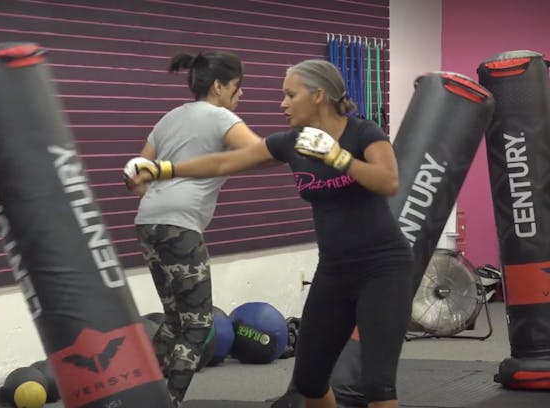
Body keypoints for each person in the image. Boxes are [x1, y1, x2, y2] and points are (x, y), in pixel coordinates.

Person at [128, 59, 414, 408]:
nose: (282, 103)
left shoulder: (363, 132)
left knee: (377, 385)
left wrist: (339, 159)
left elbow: (388, 181)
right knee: (309, 381)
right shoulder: (292, 143)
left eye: (291, 95)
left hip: (383, 269)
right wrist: (163, 169)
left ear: (318, 95)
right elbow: (223, 162)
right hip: (335, 271)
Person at [124, 50, 263, 407]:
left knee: (174, 321)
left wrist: (161, 193)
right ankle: (167, 402)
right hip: (180, 226)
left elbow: (136, 176)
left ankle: (136, 397)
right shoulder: (221, 117)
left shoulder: (169, 118)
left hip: (148, 221)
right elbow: (261, 153)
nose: (241, 94)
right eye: (237, 86)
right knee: (199, 325)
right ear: (218, 86)